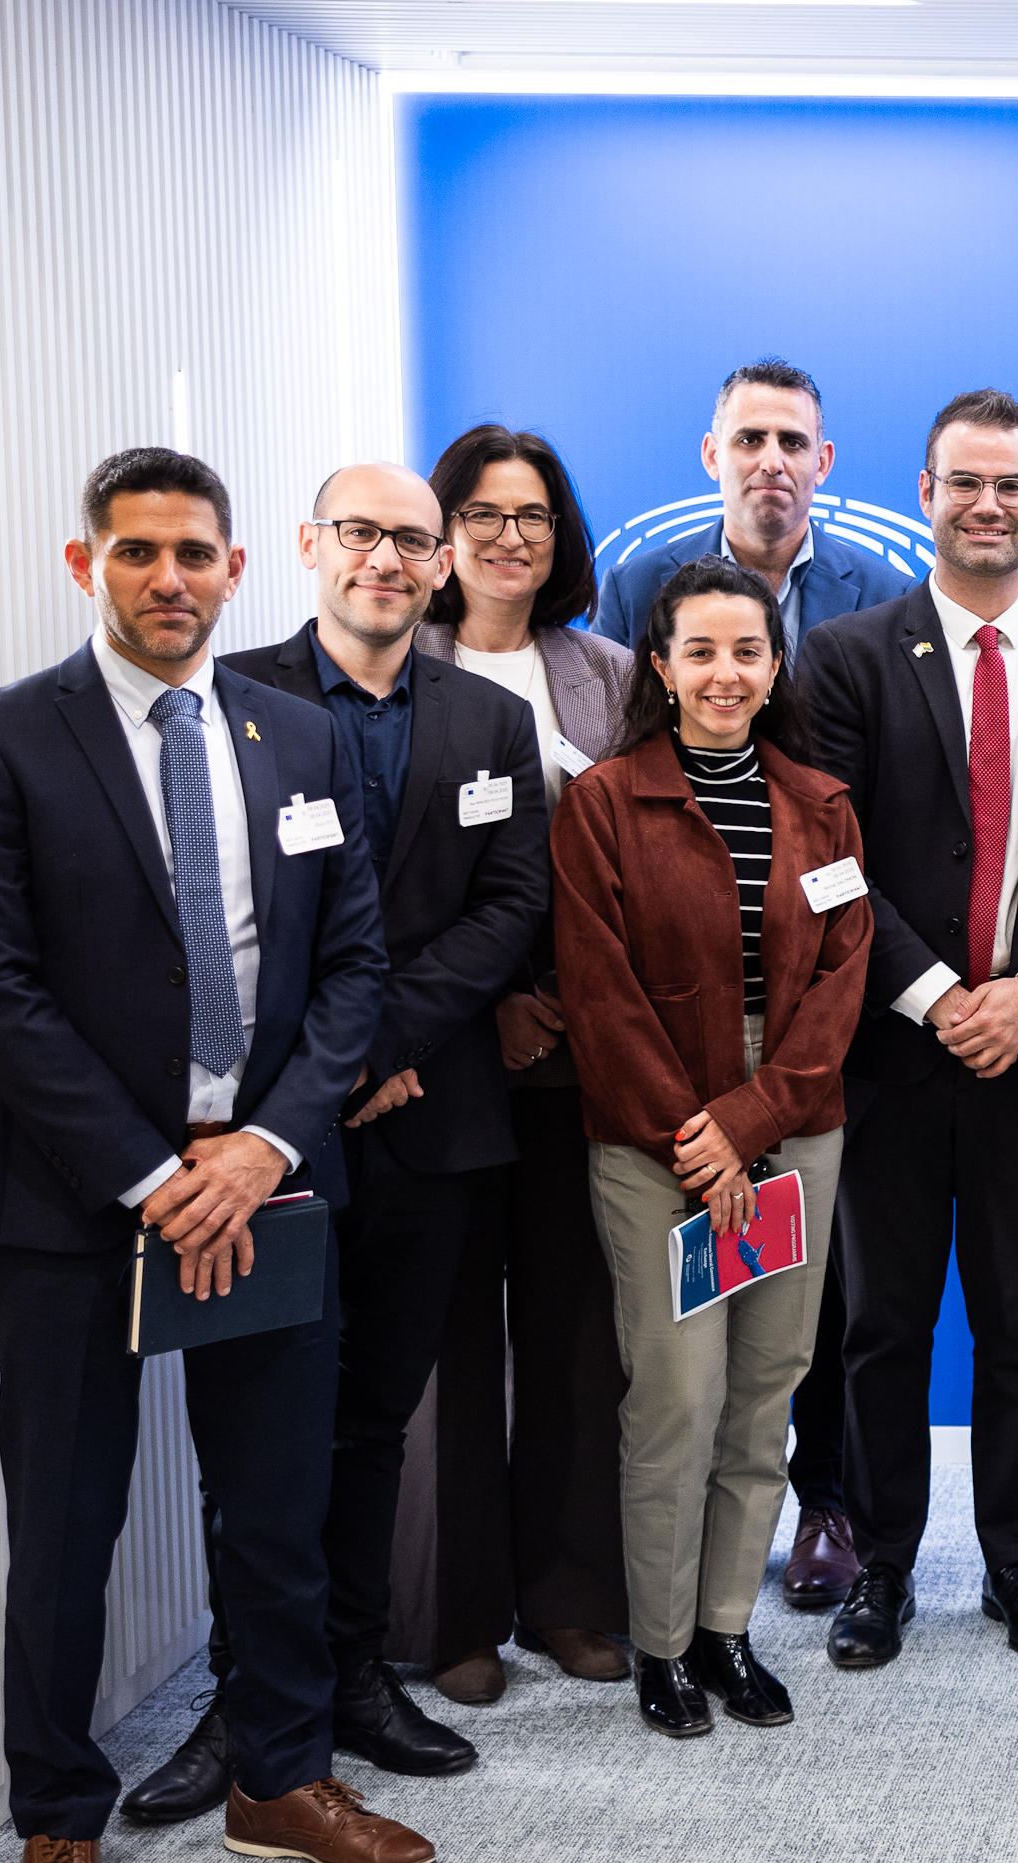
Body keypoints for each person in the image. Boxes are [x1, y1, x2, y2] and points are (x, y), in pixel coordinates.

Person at [0, 448, 423, 1863]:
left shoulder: (294, 735)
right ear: (88, 567)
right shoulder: (1, 739)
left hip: (266, 1191)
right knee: (66, 1525)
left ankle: (281, 1777)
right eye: (137, 553)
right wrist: (154, 1174)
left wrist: (263, 1149)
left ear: (235, 569)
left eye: (194, 555)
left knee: (277, 1508)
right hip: (80, 1203)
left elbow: (352, 972)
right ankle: (59, 1823)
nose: (168, 579)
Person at [121, 461, 548, 1819]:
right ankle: (251, 1702)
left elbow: (511, 902)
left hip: (433, 1127)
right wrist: (323, 1074)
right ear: (308, 547)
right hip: (267, 1140)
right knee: (252, 1430)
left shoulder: (487, 719)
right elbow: (210, 911)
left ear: (440, 566)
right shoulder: (228, 700)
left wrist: (385, 1046)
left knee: (375, 1423)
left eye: (412, 541)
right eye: (360, 533)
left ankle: (356, 1675)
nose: (386, 558)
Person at [792, 389, 1018, 1672]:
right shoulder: (844, 656)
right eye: (964, 483)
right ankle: (882, 1566)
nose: (988, 505)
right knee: (883, 1326)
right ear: (925, 495)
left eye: (1012, 485)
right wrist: (937, 990)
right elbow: (830, 861)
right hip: (891, 1050)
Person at [552, 558, 870, 1737]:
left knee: (765, 1390)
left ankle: (729, 1628)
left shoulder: (822, 805)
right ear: (661, 664)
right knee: (678, 1393)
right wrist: (704, 1133)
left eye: (748, 651)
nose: (726, 673)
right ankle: (664, 1644)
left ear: (776, 664)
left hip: (792, 1124)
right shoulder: (602, 803)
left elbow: (842, 980)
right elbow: (598, 992)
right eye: (702, 651)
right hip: (654, 1128)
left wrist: (752, 1124)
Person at [401, 422, 637, 1703]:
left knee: (574, 1339)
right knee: (447, 1343)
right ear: (444, 534)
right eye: (484, 512)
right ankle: (458, 1616)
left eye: (533, 514)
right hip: (440, 1056)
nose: (507, 536)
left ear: (562, 537)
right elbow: (389, 877)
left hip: (585, 1059)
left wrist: (557, 999)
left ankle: (570, 1596)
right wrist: (486, 1003)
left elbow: (646, 872)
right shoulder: (399, 666)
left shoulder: (606, 671)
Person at [591, 357, 908, 653]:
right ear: (712, 456)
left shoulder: (891, 599)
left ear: (822, 463)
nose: (772, 463)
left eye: (792, 443)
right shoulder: (631, 592)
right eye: (750, 440)